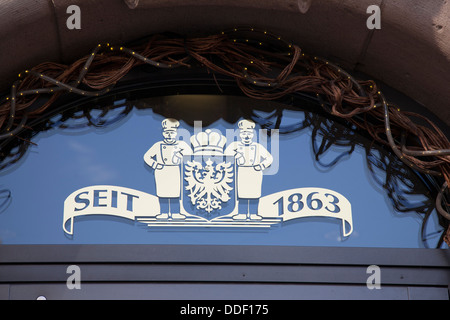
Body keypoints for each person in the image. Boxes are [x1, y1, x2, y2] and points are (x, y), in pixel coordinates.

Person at [143, 118, 192, 220]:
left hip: (174, 171)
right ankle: (163, 212)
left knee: (175, 193)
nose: (169, 135)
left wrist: (181, 154)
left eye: (172, 132)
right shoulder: (158, 145)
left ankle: (175, 213)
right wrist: (155, 165)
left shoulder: (181, 145)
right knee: (162, 193)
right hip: (162, 171)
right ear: (163, 133)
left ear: (176, 133)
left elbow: (190, 154)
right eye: (167, 132)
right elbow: (147, 157)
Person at [225, 119, 273, 220]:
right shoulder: (235, 146)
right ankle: (241, 214)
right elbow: (226, 155)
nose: (246, 136)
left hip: (255, 172)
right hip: (242, 171)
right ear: (239, 134)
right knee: (241, 194)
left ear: (253, 134)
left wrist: (261, 166)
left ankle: (254, 214)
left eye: (249, 133)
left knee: (255, 194)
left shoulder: (258, 147)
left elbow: (269, 158)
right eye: (243, 133)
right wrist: (235, 155)